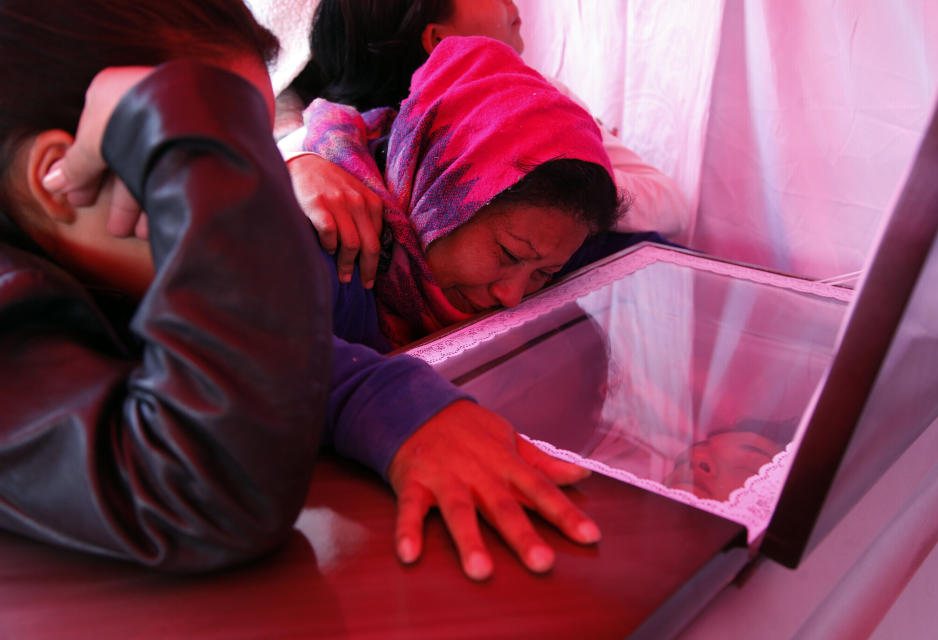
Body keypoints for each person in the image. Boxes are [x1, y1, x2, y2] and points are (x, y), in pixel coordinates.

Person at [0, 0, 601, 582]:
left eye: (258, 154)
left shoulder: (105, 270)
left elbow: (273, 344)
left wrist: (392, 401)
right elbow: (211, 493)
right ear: (62, 178)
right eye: (219, 158)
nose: (266, 196)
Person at [272, 0, 689, 288]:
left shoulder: (544, 111)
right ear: (439, 42)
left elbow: (671, 203)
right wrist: (299, 164)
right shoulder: (323, 150)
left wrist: (561, 181)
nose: (515, 8)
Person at [298, 35, 624, 348]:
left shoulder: (549, 236)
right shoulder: (327, 257)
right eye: (509, 254)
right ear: (443, 189)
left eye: (543, 274)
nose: (511, 297)